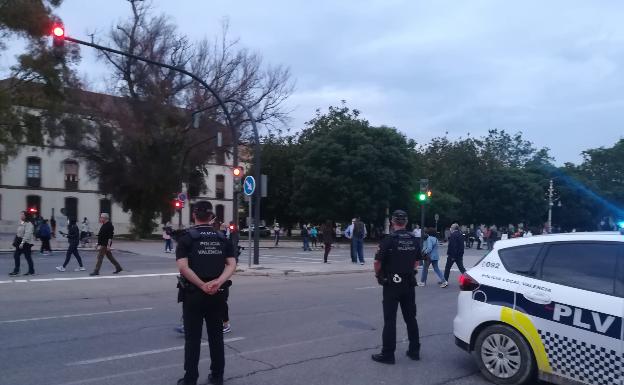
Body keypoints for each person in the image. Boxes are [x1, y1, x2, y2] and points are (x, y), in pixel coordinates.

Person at [175, 201, 236, 385]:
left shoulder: (186, 238)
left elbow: (183, 267)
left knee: (192, 339)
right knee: (216, 337)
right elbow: (232, 265)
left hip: (194, 294)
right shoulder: (222, 238)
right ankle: (217, 376)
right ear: (211, 217)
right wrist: (217, 282)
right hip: (217, 294)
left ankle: (190, 379)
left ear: (194, 215)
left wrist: (202, 285)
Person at [372, 210, 421, 364]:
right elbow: (417, 262)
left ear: (393, 222)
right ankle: (414, 351)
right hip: (408, 283)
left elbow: (377, 262)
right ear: (406, 222)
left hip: (392, 284)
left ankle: (388, 354)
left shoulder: (388, 240)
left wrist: (378, 275)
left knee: (390, 320)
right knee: (411, 318)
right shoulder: (414, 239)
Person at [9, 211, 35, 276]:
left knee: (27, 257)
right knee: (17, 255)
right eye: (21, 215)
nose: (21, 216)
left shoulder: (29, 224)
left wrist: (22, 243)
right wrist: (15, 241)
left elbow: (27, 234)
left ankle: (30, 271)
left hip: (26, 243)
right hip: (20, 242)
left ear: (26, 216)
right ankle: (18, 270)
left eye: (22, 215)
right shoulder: (22, 223)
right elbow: (19, 233)